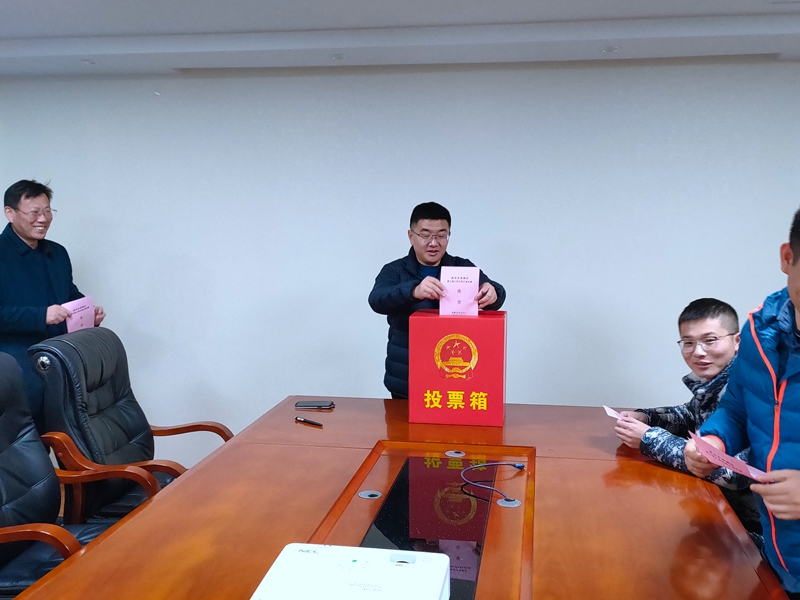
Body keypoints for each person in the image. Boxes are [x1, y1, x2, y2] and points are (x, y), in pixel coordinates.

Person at [685, 207, 800, 598]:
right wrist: (714, 441)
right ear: (788, 257)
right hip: (779, 559)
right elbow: (736, 407)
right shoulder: (759, 333)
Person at [614, 298, 760, 533]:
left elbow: (733, 472)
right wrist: (647, 417)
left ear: (737, 342)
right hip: (718, 513)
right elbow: (690, 414)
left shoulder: (754, 387)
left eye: (710, 340)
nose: (698, 352)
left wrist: (649, 439)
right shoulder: (717, 381)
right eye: (688, 342)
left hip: (754, 531)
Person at [368, 202, 505, 399]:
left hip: (453, 376)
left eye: (441, 235)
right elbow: (376, 300)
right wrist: (413, 290)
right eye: (426, 235)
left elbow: (493, 292)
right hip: (406, 378)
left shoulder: (462, 267)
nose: (434, 243)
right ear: (411, 236)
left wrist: (493, 292)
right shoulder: (394, 270)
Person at [0, 180, 105, 431]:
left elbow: (68, 294)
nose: (43, 219)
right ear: (10, 213)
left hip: (60, 359)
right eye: (34, 212)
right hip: (15, 365)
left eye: (47, 211)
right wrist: (41, 316)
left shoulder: (57, 253)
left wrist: (87, 312)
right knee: (24, 440)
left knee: (64, 434)